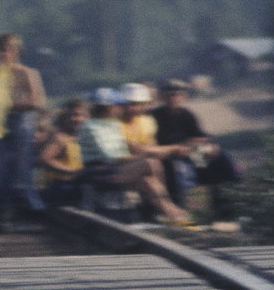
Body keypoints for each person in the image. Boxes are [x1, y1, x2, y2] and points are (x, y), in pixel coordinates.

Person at [77, 88, 192, 225]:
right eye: (117, 105)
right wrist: (141, 158)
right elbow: (111, 157)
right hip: (98, 171)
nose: (121, 108)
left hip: (115, 168)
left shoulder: (111, 124)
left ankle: (171, 214)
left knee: (148, 181)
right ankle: (163, 212)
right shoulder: (91, 127)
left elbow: (127, 150)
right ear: (109, 108)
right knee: (150, 163)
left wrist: (144, 155)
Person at [0, 32, 47, 232]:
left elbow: (36, 101)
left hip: (21, 120)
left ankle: (25, 215)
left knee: (21, 169)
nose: (3, 54)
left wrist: (10, 104)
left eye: (8, 50)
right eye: (0, 50)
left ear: (16, 52)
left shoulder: (27, 73)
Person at [151, 78, 239, 223]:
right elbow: (154, 143)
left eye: (177, 95)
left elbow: (200, 136)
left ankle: (224, 210)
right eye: (169, 95)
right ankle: (179, 213)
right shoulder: (154, 116)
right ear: (161, 97)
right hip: (168, 155)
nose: (173, 98)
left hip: (190, 153)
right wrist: (178, 147)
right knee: (178, 169)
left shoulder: (186, 114)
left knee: (220, 158)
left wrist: (206, 145)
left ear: (183, 96)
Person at [36, 98, 89, 207]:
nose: (78, 119)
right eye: (74, 115)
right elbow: (44, 159)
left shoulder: (85, 138)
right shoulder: (60, 138)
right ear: (66, 117)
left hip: (79, 184)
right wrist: (72, 171)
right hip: (61, 186)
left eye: (81, 116)